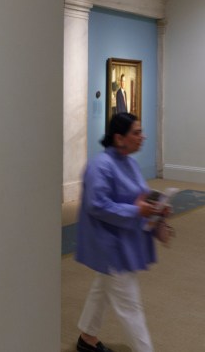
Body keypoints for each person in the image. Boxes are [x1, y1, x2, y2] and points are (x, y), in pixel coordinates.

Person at [74, 113, 170, 352]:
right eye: (136, 133)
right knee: (130, 307)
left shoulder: (130, 163)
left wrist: (156, 207)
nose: (142, 137)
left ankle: (87, 338)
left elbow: (140, 196)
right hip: (110, 246)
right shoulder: (100, 166)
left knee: (102, 288)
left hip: (124, 241)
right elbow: (97, 205)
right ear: (119, 138)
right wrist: (136, 210)